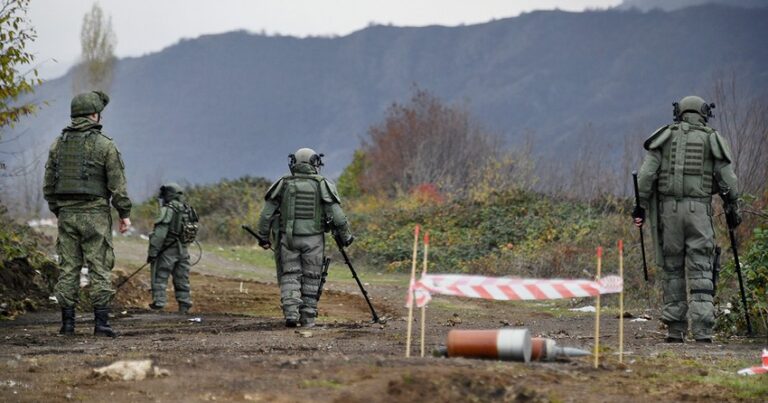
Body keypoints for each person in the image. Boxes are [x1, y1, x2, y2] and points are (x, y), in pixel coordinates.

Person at [633, 95, 740, 343]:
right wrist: (734, 208)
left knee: (672, 270)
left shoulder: (664, 137)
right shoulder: (711, 138)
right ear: (703, 112)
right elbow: (729, 182)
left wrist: (639, 208)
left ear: (679, 112)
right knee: (701, 269)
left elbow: (646, 178)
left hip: (668, 214)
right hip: (699, 214)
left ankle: (675, 331)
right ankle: (702, 331)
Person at [43, 91, 132, 338]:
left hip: (67, 215)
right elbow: (118, 185)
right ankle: (101, 325)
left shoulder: (57, 144)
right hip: (95, 215)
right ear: (94, 114)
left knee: (68, 268)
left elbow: (48, 185)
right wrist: (124, 214)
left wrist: (59, 210)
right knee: (99, 267)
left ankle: (67, 325)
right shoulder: (105, 144)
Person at [254, 148, 353, 328]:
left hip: (288, 239)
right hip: (314, 240)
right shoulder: (322, 184)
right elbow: (338, 217)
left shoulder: (283, 184)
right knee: (312, 277)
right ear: (314, 163)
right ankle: (308, 318)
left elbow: (265, 215)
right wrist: (346, 237)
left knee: (290, 275)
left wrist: (263, 237)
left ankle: (291, 313)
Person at [147, 183, 198, 314]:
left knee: (160, 276)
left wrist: (153, 252)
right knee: (182, 278)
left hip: (168, 250)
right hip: (183, 249)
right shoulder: (188, 209)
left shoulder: (168, 210)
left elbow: (160, 233)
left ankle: (159, 303)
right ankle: (184, 305)